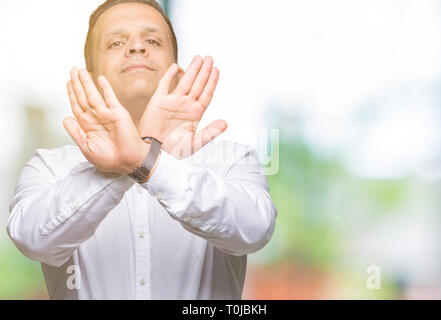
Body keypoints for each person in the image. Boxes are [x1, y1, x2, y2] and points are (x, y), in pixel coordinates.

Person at [7, 0, 277, 300]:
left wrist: (146, 160)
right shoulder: (49, 166)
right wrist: (140, 160)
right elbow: (32, 240)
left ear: (179, 74)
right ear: (90, 78)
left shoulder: (232, 161)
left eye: (152, 40)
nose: (136, 47)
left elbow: (255, 230)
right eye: (116, 42)